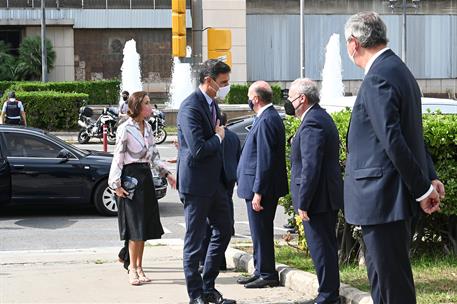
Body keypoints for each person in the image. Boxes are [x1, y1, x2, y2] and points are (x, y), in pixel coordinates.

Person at [344, 12, 445, 304]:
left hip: (382, 198)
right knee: (388, 281)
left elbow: (393, 138)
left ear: (354, 43)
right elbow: (411, 133)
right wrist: (429, 177)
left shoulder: (378, 76)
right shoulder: (398, 70)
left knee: (390, 286)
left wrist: (423, 188)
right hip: (387, 198)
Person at [177, 59, 236, 304]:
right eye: (222, 83)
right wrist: (219, 137)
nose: (225, 86)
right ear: (208, 80)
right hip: (196, 185)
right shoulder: (190, 107)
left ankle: (208, 285)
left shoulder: (214, 106)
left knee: (224, 230)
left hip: (216, 184)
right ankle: (195, 295)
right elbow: (199, 148)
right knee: (194, 240)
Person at [108, 91, 177, 286]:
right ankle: (132, 269)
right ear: (138, 106)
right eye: (147, 103)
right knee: (134, 228)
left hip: (146, 178)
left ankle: (140, 267)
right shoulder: (125, 128)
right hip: (131, 179)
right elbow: (118, 157)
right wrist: (116, 184)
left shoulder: (147, 128)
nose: (151, 106)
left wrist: (168, 175)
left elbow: (154, 156)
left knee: (144, 228)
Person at [286, 78, 343, 304]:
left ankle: (328, 295)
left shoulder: (313, 123)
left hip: (318, 200)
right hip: (321, 197)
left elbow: (311, 166)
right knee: (323, 247)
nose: (288, 102)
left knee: (322, 248)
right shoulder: (317, 117)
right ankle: (327, 292)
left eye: (290, 97)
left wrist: (304, 202)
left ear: (302, 99)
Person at [236, 81, 288, 289]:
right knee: (258, 232)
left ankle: (267, 273)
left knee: (262, 232)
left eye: (250, 96)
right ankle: (259, 270)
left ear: (256, 99)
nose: (248, 100)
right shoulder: (266, 117)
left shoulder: (267, 119)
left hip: (262, 189)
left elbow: (265, 160)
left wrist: (258, 191)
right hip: (258, 186)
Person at [200, 112, 241, 272]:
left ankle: (207, 261)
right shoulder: (234, 137)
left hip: (215, 180)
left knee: (210, 224)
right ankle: (220, 260)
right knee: (223, 221)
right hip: (229, 179)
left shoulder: (216, 136)